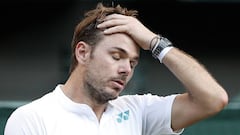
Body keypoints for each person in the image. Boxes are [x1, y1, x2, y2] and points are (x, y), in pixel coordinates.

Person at [4, 2, 228, 135]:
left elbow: (213, 99)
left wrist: (155, 43)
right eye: (116, 56)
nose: (126, 69)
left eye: (132, 62)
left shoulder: (138, 111)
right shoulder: (31, 118)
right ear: (82, 53)